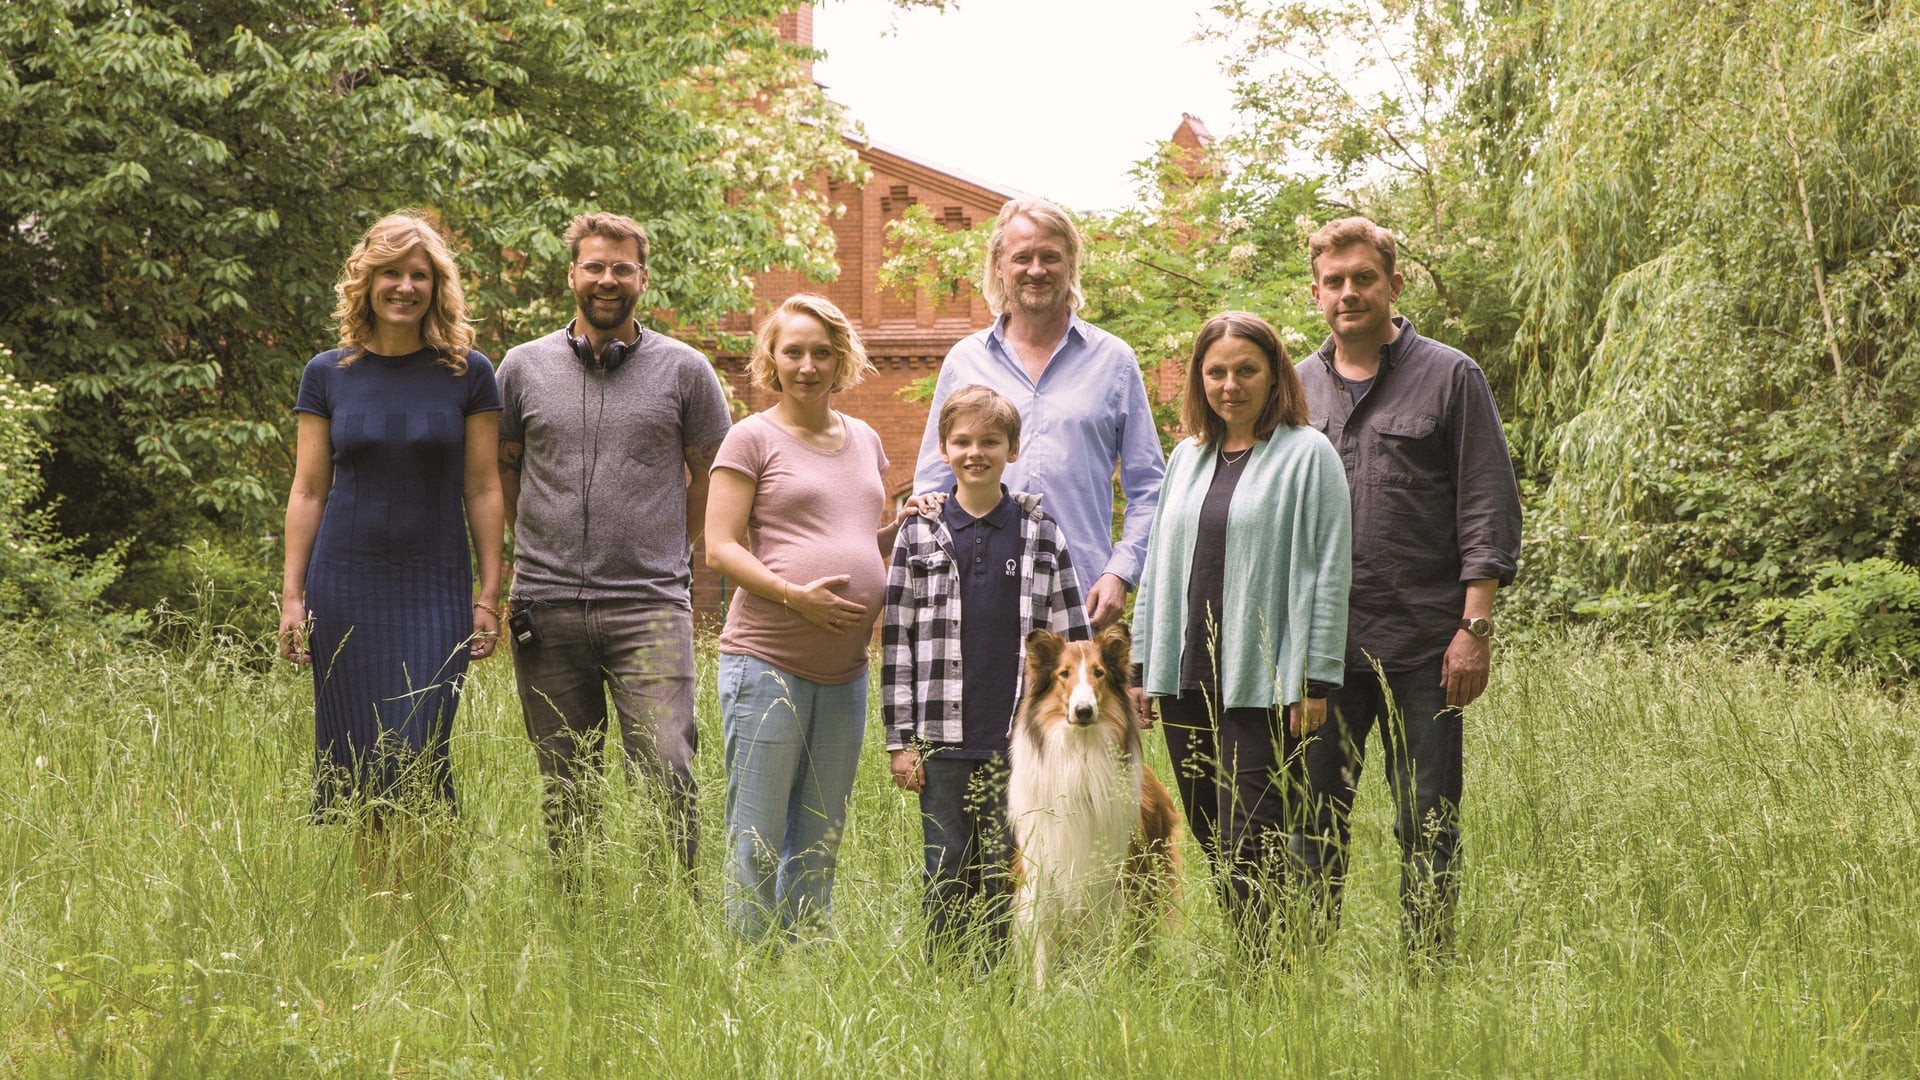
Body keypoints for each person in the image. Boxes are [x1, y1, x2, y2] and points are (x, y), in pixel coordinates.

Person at [1293, 217, 1523, 954]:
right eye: (1335, 281)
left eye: (1364, 278)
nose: (1349, 293)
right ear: (1317, 292)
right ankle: (1307, 978)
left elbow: (1488, 503)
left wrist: (1475, 629)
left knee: (1427, 821)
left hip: (1427, 647)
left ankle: (1428, 974)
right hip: (1320, 654)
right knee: (1310, 823)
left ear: (1394, 284)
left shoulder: (1451, 376)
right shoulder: (1294, 388)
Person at [496, 211, 732, 880]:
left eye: (621, 267)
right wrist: (534, 541)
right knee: (566, 788)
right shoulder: (520, 369)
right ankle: (579, 925)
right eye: (595, 266)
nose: (607, 279)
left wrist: (666, 546)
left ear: (643, 278)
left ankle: (668, 924)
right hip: (546, 608)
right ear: (572, 274)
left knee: (668, 772)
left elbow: (712, 475)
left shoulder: (685, 371)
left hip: (649, 607)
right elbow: (503, 468)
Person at [279, 211, 504, 884]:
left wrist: (490, 595)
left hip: (434, 588)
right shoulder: (327, 374)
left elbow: (485, 488)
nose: (405, 287)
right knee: (362, 757)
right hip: (345, 585)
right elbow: (309, 489)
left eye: (419, 276)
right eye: (391, 274)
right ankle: (379, 908)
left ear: (438, 287)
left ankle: (427, 907)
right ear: (366, 282)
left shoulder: (469, 374)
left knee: (420, 747)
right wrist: (291, 597)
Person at [1131, 312, 1351, 953]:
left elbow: (1329, 571)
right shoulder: (1187, 456)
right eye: (1216, 372)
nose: (1231, 384)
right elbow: (1159, 567)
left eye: (1246, 370)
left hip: (1261, 682)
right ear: (1200, 381)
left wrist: (1313, 679)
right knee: (1208, 834)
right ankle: (1270, 960)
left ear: (1274, 374)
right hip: (1184, 681)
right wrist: (1144, 666)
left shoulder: (1309, 453)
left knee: (1249, 837)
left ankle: (1271, 976)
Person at [705, 294, 910, 941]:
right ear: (771, 357)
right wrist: (797, 597)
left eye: (822, 351)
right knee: (758, 838)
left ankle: (801, 974)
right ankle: (748, 974)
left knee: (820, 839)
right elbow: (720, 546)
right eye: (793, 351)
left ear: (841, 358)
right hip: (767, 664)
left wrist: (896, 534)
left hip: (845, 675)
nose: (807, 364)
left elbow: (849, 538)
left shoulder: (867, 440)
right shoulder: (751, 437)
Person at [881, 384, 1091, 961]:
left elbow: (1073, 641)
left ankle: (999, 979)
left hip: (1019, 740)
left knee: (1008, 864)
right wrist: (901, 742)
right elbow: (896, 642)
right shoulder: (918, 532)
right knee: (945, 864)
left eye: (991, 441)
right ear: (944, 448)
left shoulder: (1039, 532)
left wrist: (1074, 725)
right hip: (939, 741)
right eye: (963, 441)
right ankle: (947, 978)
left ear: (1013, 449)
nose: (977, 452)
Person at [910, 198, 1165, 636]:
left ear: (1070, 265)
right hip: (975, 598)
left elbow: (1151, 490)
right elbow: (932, 488)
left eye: (1050, 257)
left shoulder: (1115, 362)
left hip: (1082, 597)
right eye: (1022, 258)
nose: (1036, 269)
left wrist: (1120, 572)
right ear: (999, 268)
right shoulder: (964, 361)